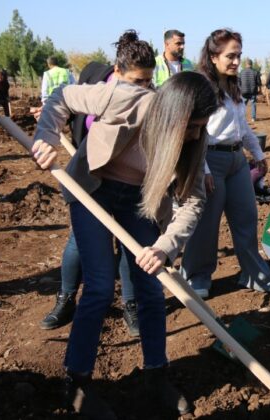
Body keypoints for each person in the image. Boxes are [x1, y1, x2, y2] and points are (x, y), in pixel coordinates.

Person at [32, 64, 217, 416]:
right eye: (191, 127)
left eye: (200, 128)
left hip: (141, 201)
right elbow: (62, 98)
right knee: (100, 285)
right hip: (94, 190)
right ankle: (77, 381)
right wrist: (47, 137)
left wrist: (165, 246)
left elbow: (193, 200)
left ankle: (156, 375)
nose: (195, 135)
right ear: (171, 114)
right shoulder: (126, 98)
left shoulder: (196, 140)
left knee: (150, 285)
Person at [39, 32, 156, 336]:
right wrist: (46, 137)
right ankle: (65, 299)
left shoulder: (152, 99)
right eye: (136, 82)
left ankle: (130, 304)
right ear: (117, 73)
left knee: (133, 247)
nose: (143, 89)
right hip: (95, 183)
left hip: (133, 186)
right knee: (79, 243)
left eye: (147, 82)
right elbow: (63, 100)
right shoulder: (104, 92)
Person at [181, 29, 270, 298]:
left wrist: (257, 153)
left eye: (239, 55)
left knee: (247, 217)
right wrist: (205, 169)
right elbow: (195, 133)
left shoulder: (232, 85)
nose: (236, 61)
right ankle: (197, 275)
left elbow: (242, 125)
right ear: (213, 57)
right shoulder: (201, 86)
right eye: (230, 56)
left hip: (237, 160)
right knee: (207, 223)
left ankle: (252, 272)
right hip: (210, 159)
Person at [239, 58, 261, 122]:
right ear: (252, 64)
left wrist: (240, 89)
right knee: (253, 104)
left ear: (246, 64)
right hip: (253, 91)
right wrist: (259, 90)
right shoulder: (255, 72)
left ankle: (242, 118)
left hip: (243, 91)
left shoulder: (241, 72)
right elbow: (258, 82)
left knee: (243, 104)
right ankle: (253, 118)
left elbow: (238, 82)